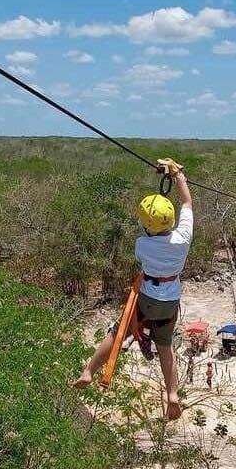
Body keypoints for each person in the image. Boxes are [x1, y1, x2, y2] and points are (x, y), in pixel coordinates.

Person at [74, 158, 193, 420]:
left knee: (119, 332)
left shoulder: (142, 244)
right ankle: (172, 394)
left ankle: (89, 371)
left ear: (145, 223)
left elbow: (144, 253)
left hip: (147, 297)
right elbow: (186, 203)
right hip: (169, 301)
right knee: (165, 348)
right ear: (171, 219)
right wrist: (178, 176)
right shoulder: (183, 238)